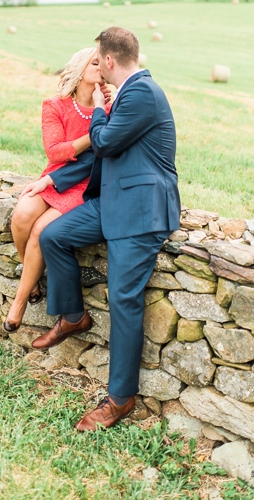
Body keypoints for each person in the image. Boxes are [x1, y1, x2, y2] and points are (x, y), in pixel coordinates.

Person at [29, 26, 180, 431]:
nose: (98, 66)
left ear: (110, 61)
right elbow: (97, 157)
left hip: (143, 213)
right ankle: (74, 315)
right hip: (112, 201)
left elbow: (105, 142)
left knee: (123, 298)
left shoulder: (141, 93)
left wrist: (97, 107)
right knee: (53, 235)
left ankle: (119, 399)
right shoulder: (128, 94)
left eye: (100, 59)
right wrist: (53, 181)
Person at [2, 47, 110, 332]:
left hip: (83, 184)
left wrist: (100, 119)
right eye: (94, 62)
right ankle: (32, 278)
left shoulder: (108, 109)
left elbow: (97, 158)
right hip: (55, 175)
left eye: (103, 63)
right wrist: (94, 135)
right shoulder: (55, 105)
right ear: (79, 68)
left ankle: (20, 302)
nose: (101, 67)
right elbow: (55, 152)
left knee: (40, 231)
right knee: (22, 215)